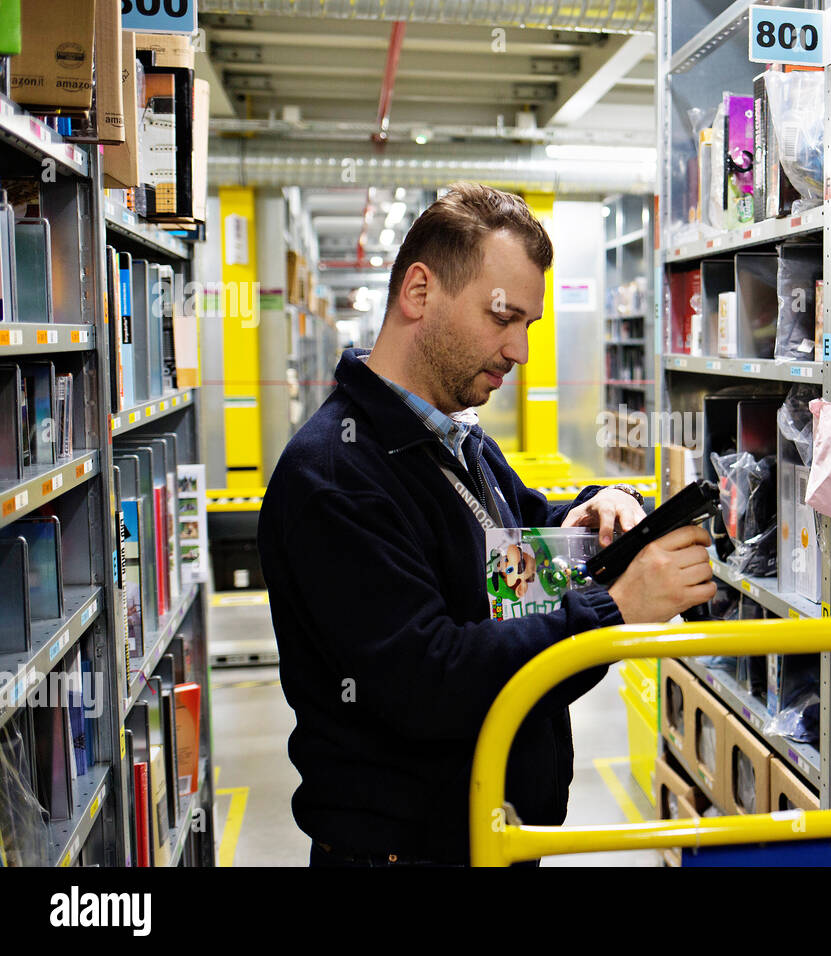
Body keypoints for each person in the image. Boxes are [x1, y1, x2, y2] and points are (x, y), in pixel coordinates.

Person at [257, 182, 715, 866]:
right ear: (419, 292)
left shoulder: (456, 439)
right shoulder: (334, 475)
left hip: (490, 837)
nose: (520, 350)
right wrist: (614, 611)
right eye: (503, 317)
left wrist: (598, 511)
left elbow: (518, 541)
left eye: (528, 325)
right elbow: (428, 680)